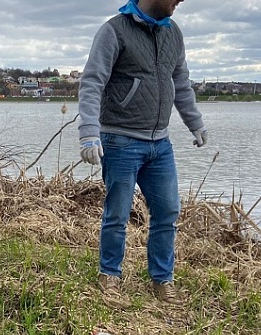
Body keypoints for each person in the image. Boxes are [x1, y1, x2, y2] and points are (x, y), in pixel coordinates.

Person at [77, 0, 207, 306]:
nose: (181, 0)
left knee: (167, 212)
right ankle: (109, 274)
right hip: (120, 140)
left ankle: (162, 279)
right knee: (117, 214)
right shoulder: (114, 31)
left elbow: (181, 83)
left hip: (160, 145)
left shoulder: (173, 32)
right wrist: (89, 133)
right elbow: (92, 82)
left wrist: (195, 123)